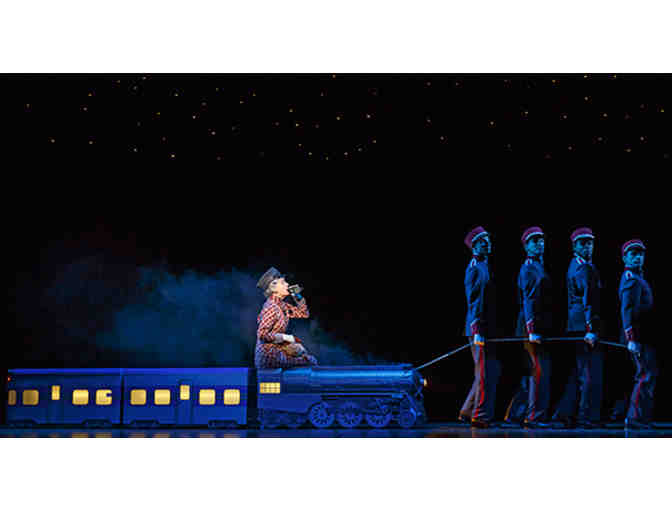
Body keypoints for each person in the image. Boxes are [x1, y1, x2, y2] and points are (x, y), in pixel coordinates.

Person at [553, 227, 604, 428]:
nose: (587, 247)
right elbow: (588, 301)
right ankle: (584, 417)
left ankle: (564, 414)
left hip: (577, 324)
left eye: (590, 243)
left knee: (578, 373)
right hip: (583, 325)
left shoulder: (580, 265)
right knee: (588, 374)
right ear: (574, 246)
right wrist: (590, 329)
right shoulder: (582, 268)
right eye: (583, 243)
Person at [510, 226, 554, 428]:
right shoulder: (529, 268)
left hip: (539, 326)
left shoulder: (538, 266)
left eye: (541, 240)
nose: (539, 244)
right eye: (534, 241)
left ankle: (517, 414)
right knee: (538, 371)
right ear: (526, 246)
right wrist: (532, 330)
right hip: (531, 328)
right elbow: (529, 301)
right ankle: (534, 416)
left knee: (533, 371)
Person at [458, 227, 500, 428]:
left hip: (486, 327)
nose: (487, 243)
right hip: (478, 329)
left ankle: (467, 411)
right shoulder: (474, 267)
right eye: (482, 241)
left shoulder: (484, 264)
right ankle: (480, 415)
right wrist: (476, 331)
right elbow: (473, 300)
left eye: (488, 240)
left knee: (486, 371)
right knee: (484, 373)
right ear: (474, 246)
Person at [619, 239, 656, 429]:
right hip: (638, 336)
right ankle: (634, 418)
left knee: (648, 374)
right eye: (633, 254)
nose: (638, 257)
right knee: (644, 375)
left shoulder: (638, 277)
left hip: (645, 335)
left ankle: (642, 418)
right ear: (624, 257)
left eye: (640, 254)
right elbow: (627, 310)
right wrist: (631, 338)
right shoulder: (631, 279)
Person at [255, 267, 318, 369]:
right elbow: (262, 334)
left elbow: (303, 313)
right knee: (310, 360)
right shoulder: (271, 307)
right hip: (269, 356)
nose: (287, 284)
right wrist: (285, 338)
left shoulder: (282, 305)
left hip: (276, 351)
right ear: (273, 288)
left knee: (302, 352)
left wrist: (296, 295)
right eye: (283, 282)